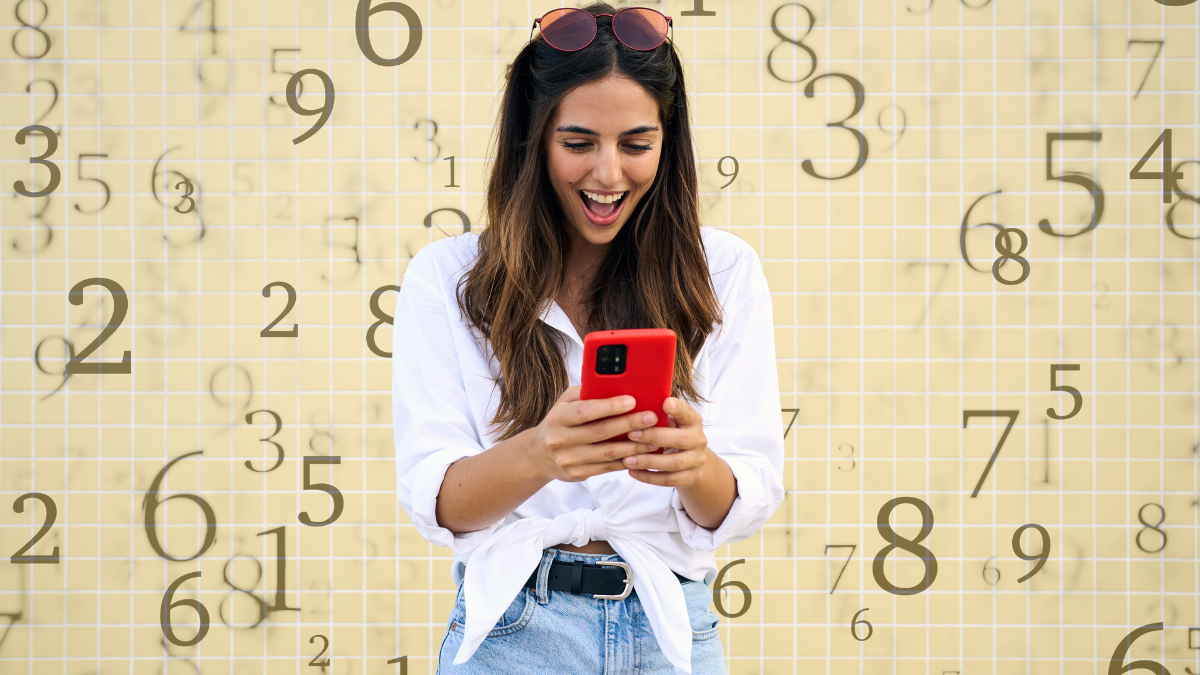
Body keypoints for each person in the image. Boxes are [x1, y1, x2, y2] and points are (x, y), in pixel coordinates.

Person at [392, 3, 785, 673]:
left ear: (667, 143)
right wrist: (540, 453)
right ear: (534, 140)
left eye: (636, 144)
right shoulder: (446, 278)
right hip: (514, 630)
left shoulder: (724, 271)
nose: (607, 174)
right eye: (578, 144)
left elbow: (744, 500)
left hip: (670, 628)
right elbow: (440, 505)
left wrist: (695, 468)